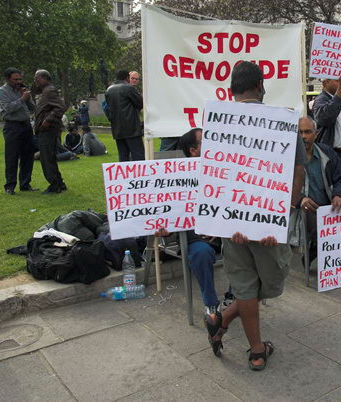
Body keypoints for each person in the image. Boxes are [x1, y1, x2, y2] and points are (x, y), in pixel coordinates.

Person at [208, 61, 306, 371]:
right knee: (268, 283)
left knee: (246, 286)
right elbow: (298, 172)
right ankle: (256, 350)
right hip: (267, 226)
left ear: (231, 90)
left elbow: (214, 174)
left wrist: (226, 223)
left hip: (232, 223)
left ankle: (222, 318)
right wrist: (282, 214)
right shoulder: (283, 121)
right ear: (261, 86)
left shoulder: (217, 122)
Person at [156, 127, 234, 357]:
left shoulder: (225, 170)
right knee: (201, 253)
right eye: (206, 141)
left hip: (224, 234)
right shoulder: (177, 178)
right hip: (194, 238)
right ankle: (211, 304)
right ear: (193, 150)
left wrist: (219, 230)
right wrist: (162, 227)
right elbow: (169, 212)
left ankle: (232, 295)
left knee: (245, 247)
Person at [299, 116, 341, 259]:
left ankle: (327, 256)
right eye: (299, 132)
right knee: (320, 228)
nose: (303, 136)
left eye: (307, 132)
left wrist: (339, 195)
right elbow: (281, 188)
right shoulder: (287, 157)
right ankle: (318, 252)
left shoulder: (327, 153)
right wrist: (300, 199)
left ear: (316, 133)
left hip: (329, 206)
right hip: (304, 209)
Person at [0, 67, 37, 195]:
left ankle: (25, 184)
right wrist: (22, 99)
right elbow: (8, 108)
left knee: (27, 156)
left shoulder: (22, 91)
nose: (18, 81)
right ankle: (10, 186)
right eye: (15, 79)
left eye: (20, 79)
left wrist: (28, 97)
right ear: (8, 79)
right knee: (12, 157)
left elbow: (32, 108)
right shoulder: (1, 92)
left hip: (26, 125)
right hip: (12, 127)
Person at [312, 74, 341, 169]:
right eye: (337, 81)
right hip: (331, 154)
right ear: (326, 82)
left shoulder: (339, 100)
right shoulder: (321, 100)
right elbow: (324, 118)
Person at [34, 69, 67, 194]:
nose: (35, 81)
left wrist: (48, 120)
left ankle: (54, 185)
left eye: (37, 78)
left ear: (44, 78)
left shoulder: (49, 91)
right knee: (50, 157)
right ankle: (59, 183)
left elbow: (61, 106)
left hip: (47, 130)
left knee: (46, 158)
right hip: (47, 130)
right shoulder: (46, 91)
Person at [105, 69, 144, 161]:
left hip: (117, 129)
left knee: (123, 156)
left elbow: (107, 108)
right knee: (138, 155)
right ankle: (138, 175)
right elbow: (140, 103)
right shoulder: (128, 88)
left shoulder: (109, 90)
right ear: (127, 78)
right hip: (131, 128)